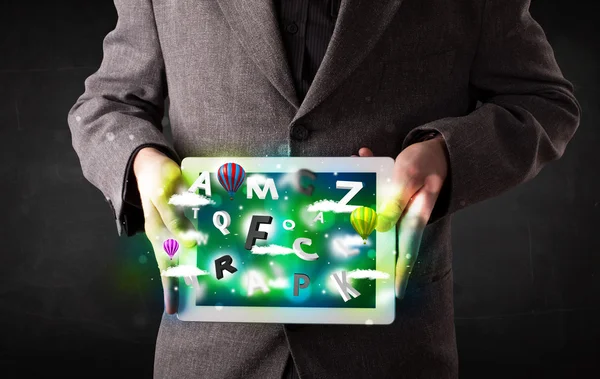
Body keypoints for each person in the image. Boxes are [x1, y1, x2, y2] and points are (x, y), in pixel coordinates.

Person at [68, 0, 580, 378]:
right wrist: (141, 159)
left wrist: (444, 151)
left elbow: (542, 101)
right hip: (211, 353)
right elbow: (107, 103)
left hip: (392, 351)